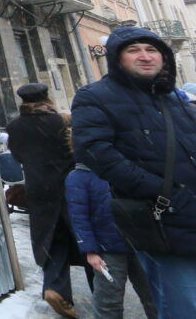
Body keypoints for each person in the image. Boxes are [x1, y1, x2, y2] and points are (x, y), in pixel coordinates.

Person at [72, 26, 196, 317]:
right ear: (117, 58)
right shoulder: (95, 96)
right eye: (133, 50)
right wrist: (165, 193)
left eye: (152, 50)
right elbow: (98, 154)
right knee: (185, 306)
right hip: (162, 218)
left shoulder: (174, 98)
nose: (145, 56)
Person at [6, 82, 91, 318]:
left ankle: (55, 288)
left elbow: (17, 156)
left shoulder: (15, 126)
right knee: (86, 239)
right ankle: (102, 290)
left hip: (38, 190)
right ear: (47, 97)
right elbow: (77, 151)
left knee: (53, 242)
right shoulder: (63, 121)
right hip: (69, 187)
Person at [65, 162, 157, 318]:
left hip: (140, 243)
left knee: (155, 296)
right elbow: (79, 218)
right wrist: (90, 251)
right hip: (107, 249)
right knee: (109, 302)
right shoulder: (78, 177)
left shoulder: (127, 169)